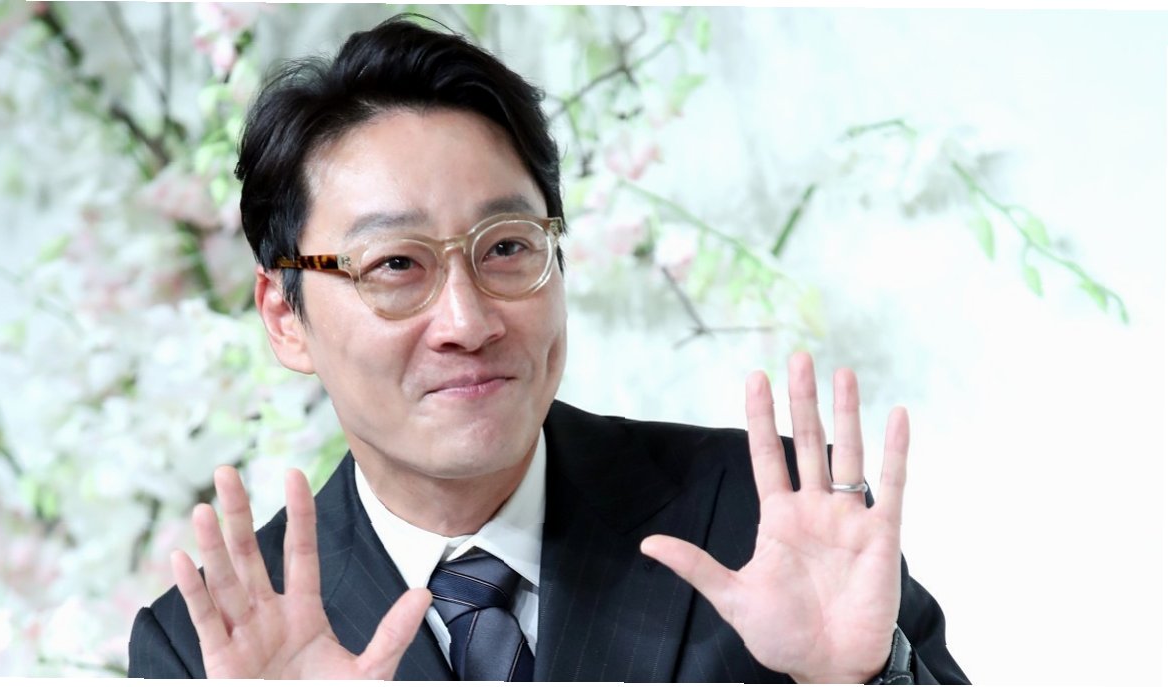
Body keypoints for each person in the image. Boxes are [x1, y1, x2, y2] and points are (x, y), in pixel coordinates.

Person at [127, 16, 967, 683]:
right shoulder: (207, 645)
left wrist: (857, 679)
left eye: (505, 247)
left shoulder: (761, 514)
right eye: (395, 265)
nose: (467, 321)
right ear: (285, 315)